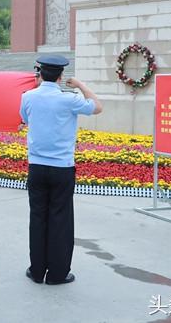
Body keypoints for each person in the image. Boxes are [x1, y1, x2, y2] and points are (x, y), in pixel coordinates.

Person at [20, 55, 102, 285]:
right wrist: (80, 86)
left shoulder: (28, 97)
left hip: (36, 166)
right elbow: (97, 107)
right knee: (60, 220)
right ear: (60, 76)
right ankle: (57, 273)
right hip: (61, 167)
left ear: (40, 73)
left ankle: (37, 271)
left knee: (37, 218)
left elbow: (25, 119)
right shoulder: (70, 100)